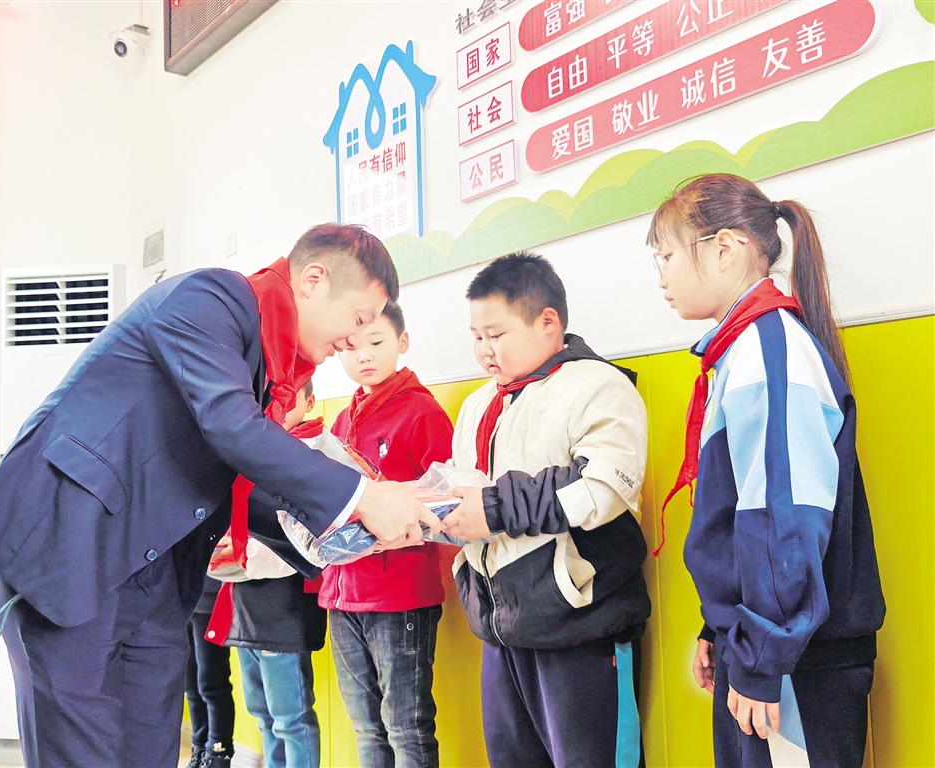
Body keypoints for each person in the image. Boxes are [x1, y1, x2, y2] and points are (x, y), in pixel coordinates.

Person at [0, 223, 444, 768]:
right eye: (358, 318)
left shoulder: (265, 366)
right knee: (80, 750)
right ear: (313, 280)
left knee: (149, 748)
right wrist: (361, 496)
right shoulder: (211, 300)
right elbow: (231, 429)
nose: (355, 340)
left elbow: (236, 478)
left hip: (155, 568)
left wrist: (340, 531)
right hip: (71, 541)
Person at [648, 173, 885, 767]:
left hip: (795, 658)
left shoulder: (766, 350)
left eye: (666, 256)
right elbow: (746, 513)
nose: (661, 276)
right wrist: (721, 628)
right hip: (773, 645)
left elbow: (783, 520)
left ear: (724, 248)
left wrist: (760, 657)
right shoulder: (748, 347)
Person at [442, 253, 651, 768]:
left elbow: (601, 486)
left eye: (496, 334)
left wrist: (493, 509)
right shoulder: (478, 404)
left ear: (548, 322)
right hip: (501, 631)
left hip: (580, 631)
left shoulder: (599, 386)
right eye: (476, 336)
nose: (484, 349)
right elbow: (466, 490)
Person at [323, 302, 454, 768]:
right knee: (366, 729)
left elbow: (447, 504)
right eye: (350, 347)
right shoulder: (342, 421)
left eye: (376, 342)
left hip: (399, 596)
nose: (363, 355)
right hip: (342, 596)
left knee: (406, 728)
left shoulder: (422, 413)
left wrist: (390, 520)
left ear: (402, 342)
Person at [215, 380, 328, 768]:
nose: (276, 406)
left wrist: (244, 558)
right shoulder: (253, 453)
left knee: (290, 718)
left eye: (289, 398)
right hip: (245, 603)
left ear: (310, 402)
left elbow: (304, 544)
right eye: (269, 398)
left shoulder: (313, 454)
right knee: (262, 714)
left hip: (284, 607)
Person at [185, 576, 234, 768]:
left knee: (212, 683)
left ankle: (218, 754)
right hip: (183, 601)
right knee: (191, 686)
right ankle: (200, 750)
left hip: (212, 601)